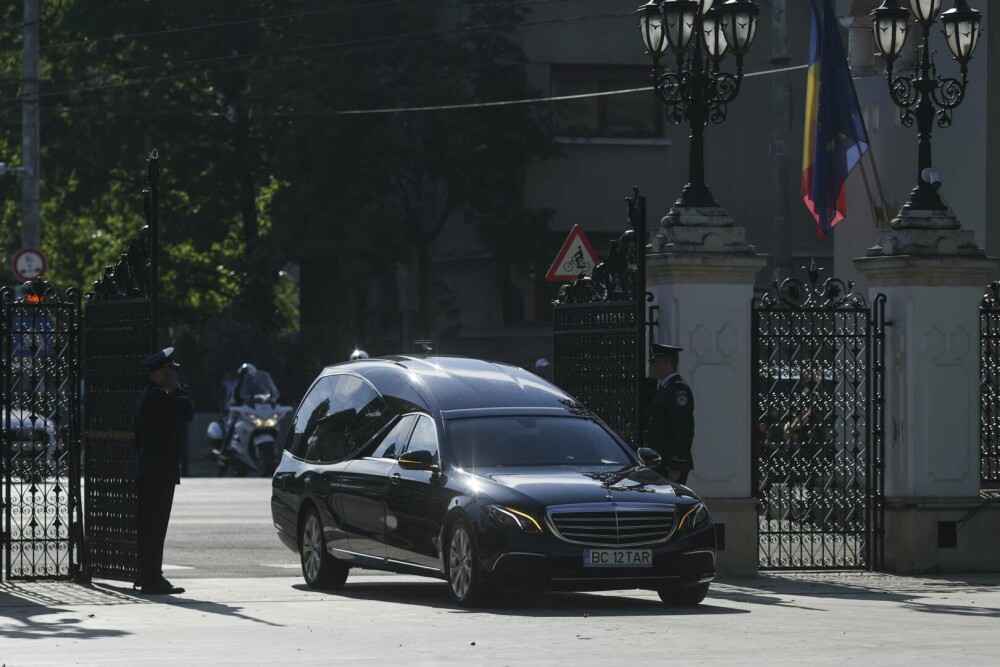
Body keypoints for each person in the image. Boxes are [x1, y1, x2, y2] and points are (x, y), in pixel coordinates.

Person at [134, 346, 193, 595]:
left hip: (153, 472)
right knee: (154, 529)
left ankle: (148, 575)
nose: (173, 376)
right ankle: (151, 579)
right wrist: (178, 389)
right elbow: (187, 412)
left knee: (151, 528)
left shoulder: (150, 395)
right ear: (162, 373)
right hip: (157, 473)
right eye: (170, 371)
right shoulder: (159, 398)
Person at [645, 343, 695, 485]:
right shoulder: (662, 388)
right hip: (658, 461)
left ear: (667, 363)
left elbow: (684, 430)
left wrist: (676, 464)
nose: (651, 367)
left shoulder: (678, 391)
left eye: (655, 363)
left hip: (670, 463)